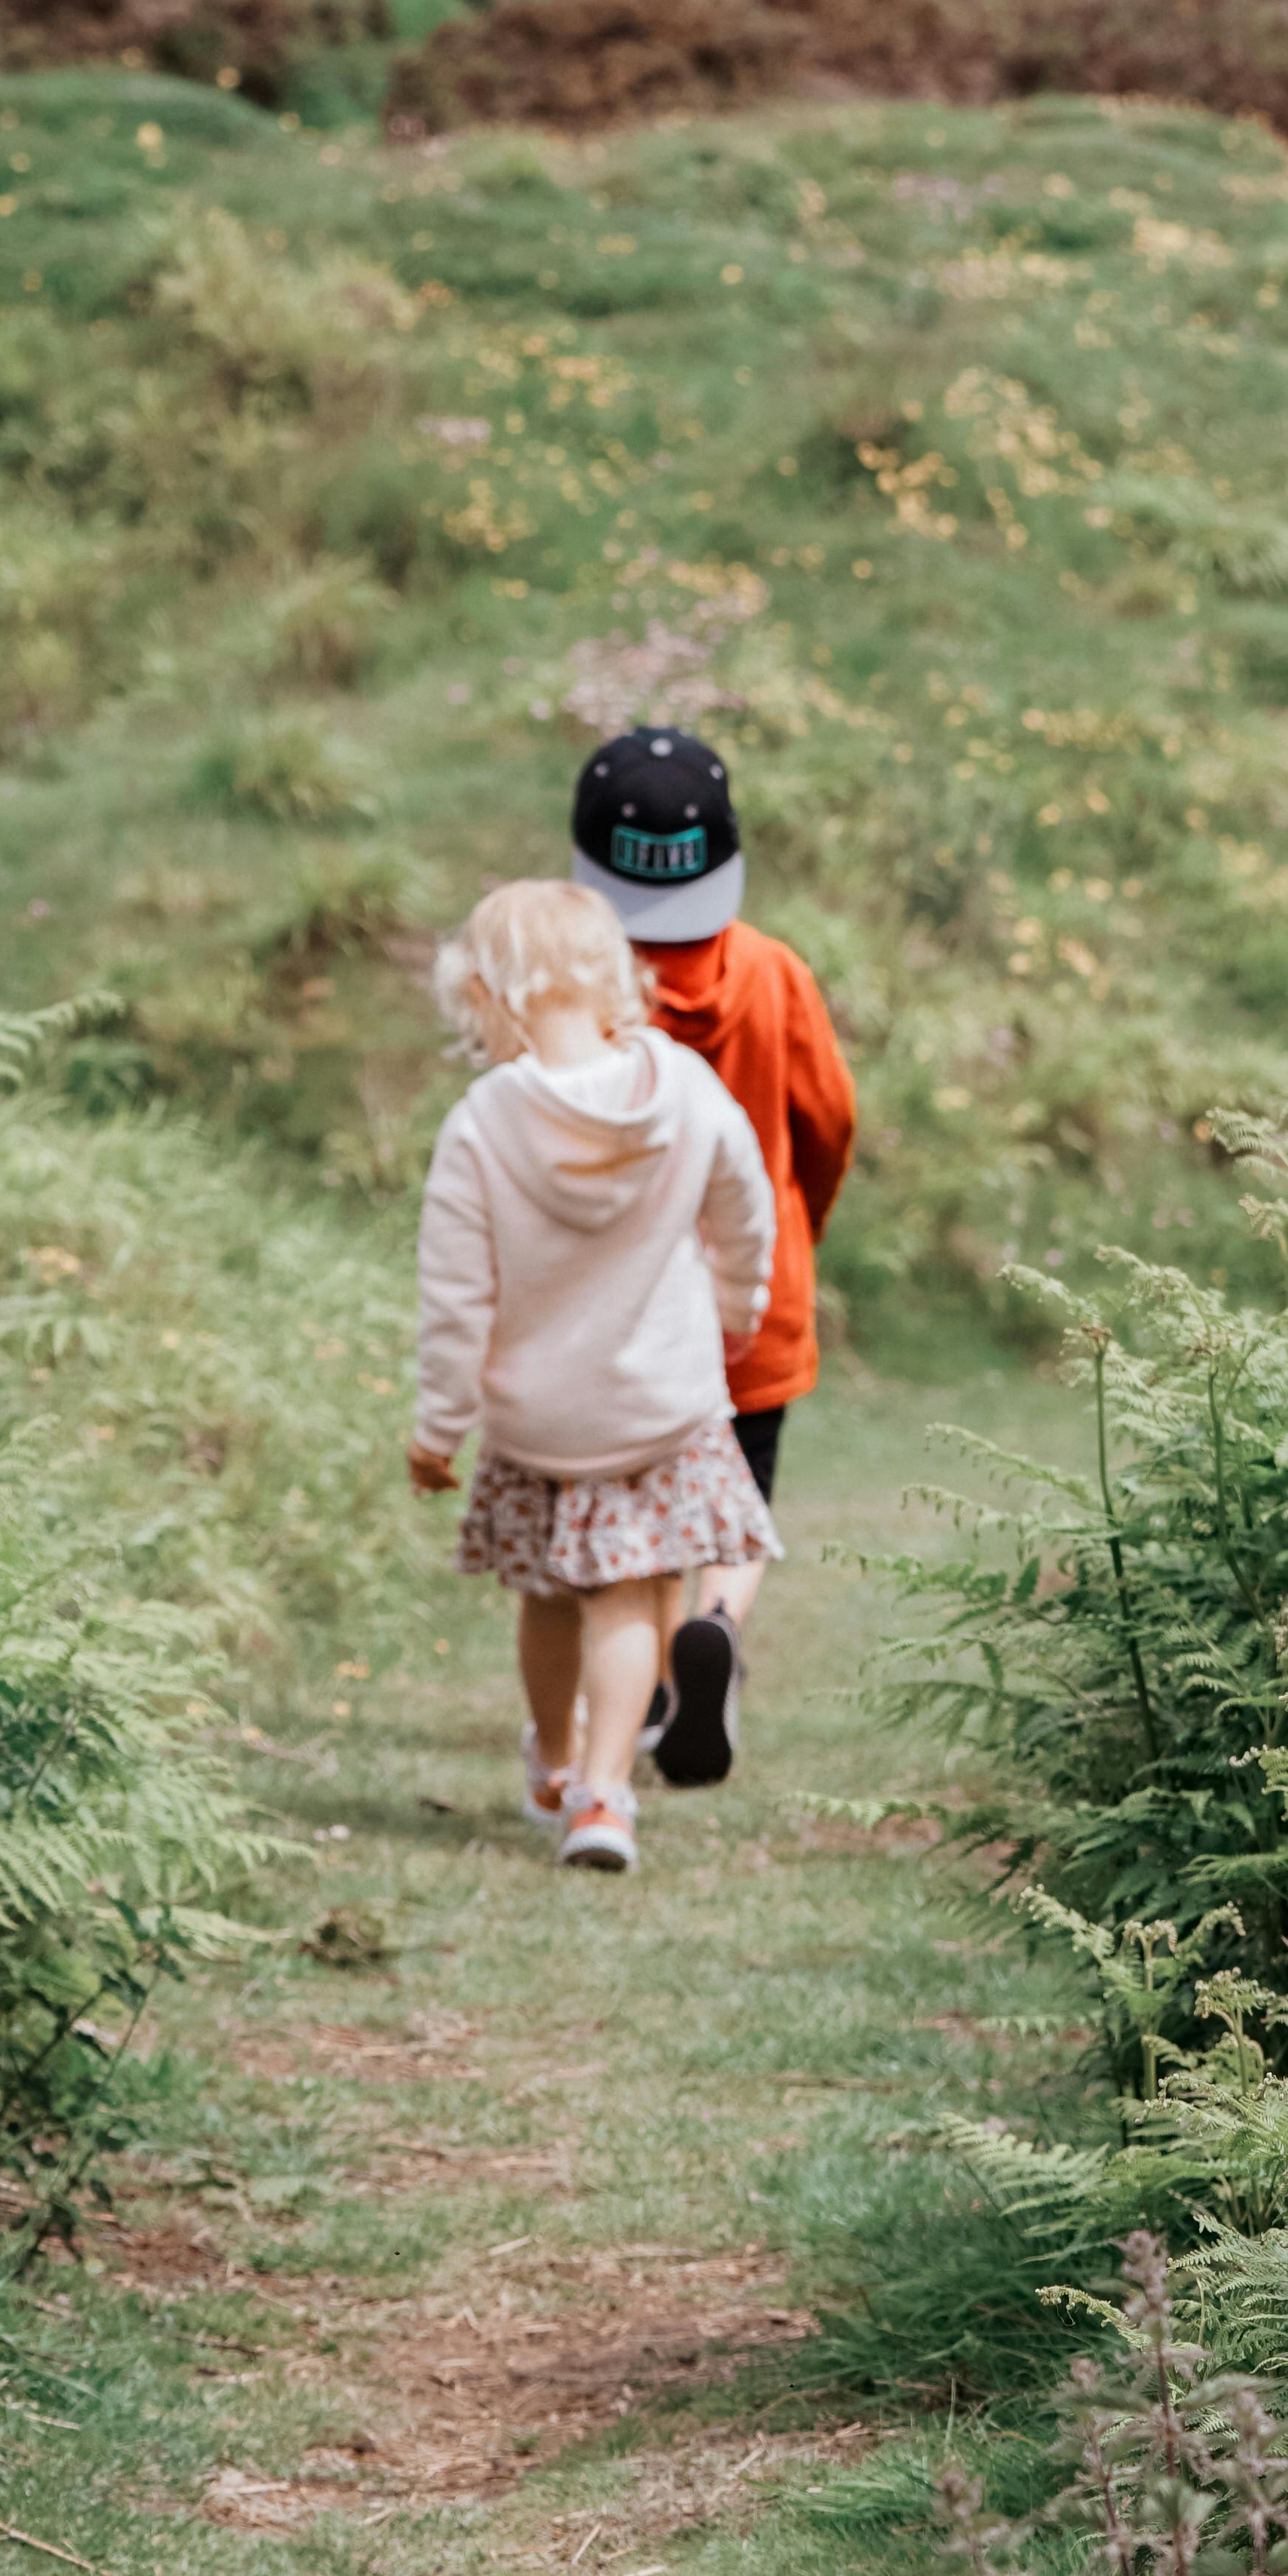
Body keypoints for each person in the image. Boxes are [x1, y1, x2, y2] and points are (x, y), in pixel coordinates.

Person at [407, 876, 778, 1876]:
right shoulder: (687, 1090)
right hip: (660, 1405)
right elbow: (747, 1213)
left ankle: (555, 1765)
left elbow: (456, 1298)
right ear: (612, 978)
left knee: (549, 1597)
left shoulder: (483, 1124)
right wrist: (740, 1310)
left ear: (486, 995)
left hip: (541, 1423)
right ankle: (606, 1801)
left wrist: (438, 1428)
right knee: (626, 1598)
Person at [568, 724, 855, 1784]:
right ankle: (719, 1627)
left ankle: (637, 1680)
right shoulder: (777, 974)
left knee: (634, 1495)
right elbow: (828, 1124)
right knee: (740, 1492)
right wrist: (795, 1235)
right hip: (756, 1296)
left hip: (621, 1307)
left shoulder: (581, 994)